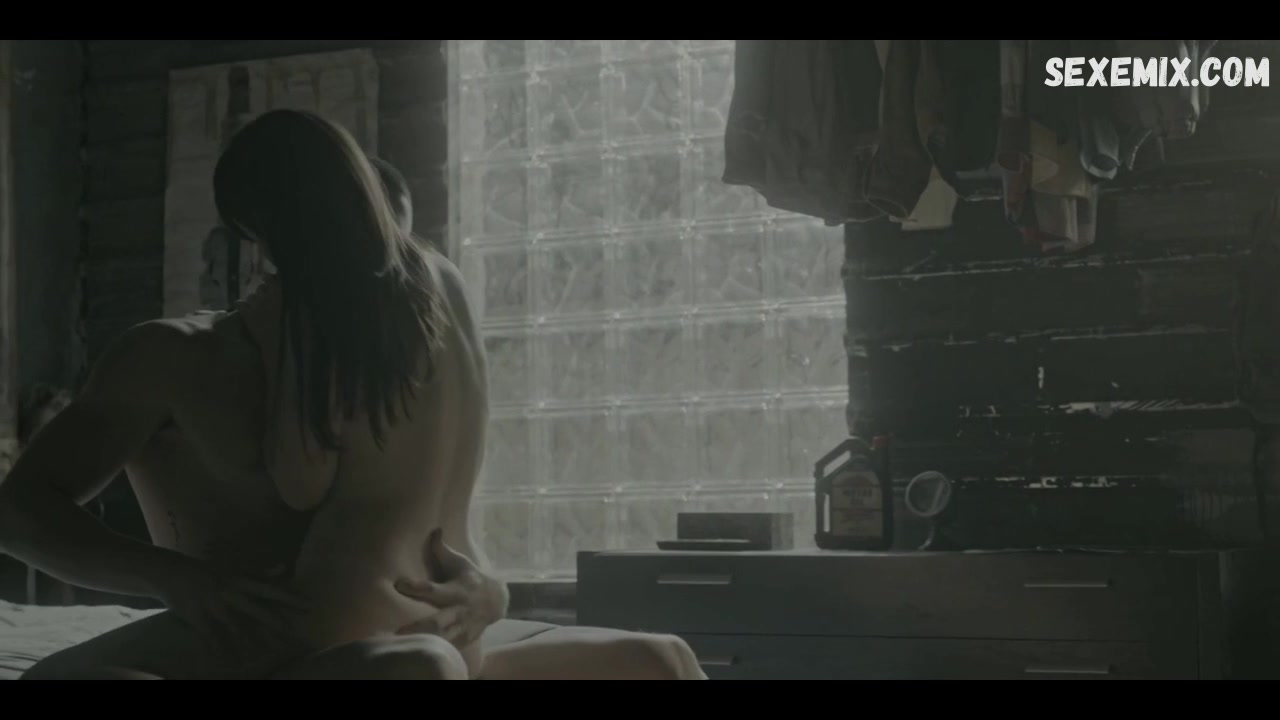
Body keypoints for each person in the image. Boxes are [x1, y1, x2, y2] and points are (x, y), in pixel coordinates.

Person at [0, 110, 703, 680]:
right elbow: (19, 513)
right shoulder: (167, 356)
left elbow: (378, 502)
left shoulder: (361, 344)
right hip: (297, 640)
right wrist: (176, 579)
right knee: (424, 666)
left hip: (369, 635)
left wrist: (492, 591)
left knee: (654, 661)